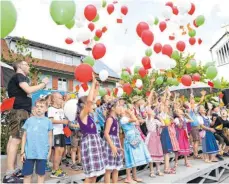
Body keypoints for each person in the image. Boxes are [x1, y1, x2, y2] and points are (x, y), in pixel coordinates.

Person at [4, 60, 49, 183]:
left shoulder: (17, 78)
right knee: (16, 140)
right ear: (19, 66)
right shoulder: (19, 76)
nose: (29, 67)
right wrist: (42, 84)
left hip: (18, 110)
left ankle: (12, 169)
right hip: (19, 111)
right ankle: (9, 174)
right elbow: (28, 90)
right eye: (27, 64)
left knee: (12, 139)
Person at [77, 74, 107, 183]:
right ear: (83, 106)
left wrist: (96, 87)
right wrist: (93, 84)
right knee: (90, 176)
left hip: (94, 142)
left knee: (95, 175)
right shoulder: (82, 115)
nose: (93, 104)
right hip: (89, 144)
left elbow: (92, 99)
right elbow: (90, 101)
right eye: (89, 104)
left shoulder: (89, 115)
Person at [20, 98, 53, 183]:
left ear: (46, 109)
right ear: (34, 108)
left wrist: (49, 151)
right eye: (37, 106)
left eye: (41, 106)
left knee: (41, 175)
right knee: (27, 175)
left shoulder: (48, 122)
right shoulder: (29, 120)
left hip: (42, 153)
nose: (39, 108)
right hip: (29, 153)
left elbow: (50, 136)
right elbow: (24, 136)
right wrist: (22, 152)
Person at [120, 105, 151, 183]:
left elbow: (136, 121)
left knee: (133, 159)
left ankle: (134, 176)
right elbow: (134, 119)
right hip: (130, 139)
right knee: (129, 158)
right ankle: (128, 178)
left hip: (133, 138)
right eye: (123, 108)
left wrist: (130, 113)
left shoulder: (126, 118)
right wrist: (130, 113)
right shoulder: (123, 119)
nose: (125, 109)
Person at [48, 92, 68, 178]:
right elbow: (51, 121)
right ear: (54, 99)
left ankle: (57, 168)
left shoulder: (61, 110)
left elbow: (64, 120)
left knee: (61, 151)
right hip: (55, 133)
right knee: (57, 151)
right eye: (59, 98)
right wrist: (63, 122)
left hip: (61, 132)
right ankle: (54, 170)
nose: (61, 100)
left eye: (61, 98)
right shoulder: (51, 109)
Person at [104, 99, 123, 183]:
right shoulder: (110, 119)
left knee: (116, 168)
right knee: (109, 169)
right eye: (118, 106)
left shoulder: (116, 119)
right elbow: (106, 133)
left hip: (115, 143)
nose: (120, 107)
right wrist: (112, 146)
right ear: (113, 108)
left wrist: (119, 146)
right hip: (110, 144)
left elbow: (117, 135)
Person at [145, 107, 164, 177]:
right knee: (151, 154)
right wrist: (149, 110)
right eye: (152, 111)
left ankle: (158, 170)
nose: (153, 112)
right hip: (151, 137)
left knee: (157, 153)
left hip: (156, 137)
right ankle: (151, 171)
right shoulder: (149, 119)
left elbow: (163, 124)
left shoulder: (155, 120)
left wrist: (160, 118)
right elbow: (149, 114)